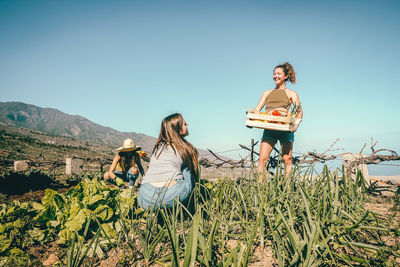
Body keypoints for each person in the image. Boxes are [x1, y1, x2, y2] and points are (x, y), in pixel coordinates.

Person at [252, 62, 303, 180]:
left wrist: (297, 123)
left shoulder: (291, 93)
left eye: (279, 73)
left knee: (287, 160)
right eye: (274, 74)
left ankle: (288, 188)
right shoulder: (267, 93)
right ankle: (260, 191)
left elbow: (299, 110)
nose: (276, 76)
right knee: (262, 160)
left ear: (285, 76)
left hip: (285, 128)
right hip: (269, 128)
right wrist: (252, 118)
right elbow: (257, 109)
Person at [138, 113, 199, 210]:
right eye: (185, 124)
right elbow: (195, 174)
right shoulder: (186, 148)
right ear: (178, 129)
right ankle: (188, 205)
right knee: (187, 168)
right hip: (173, 195)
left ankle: (154, 211)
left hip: (146, 197)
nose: (187, 125)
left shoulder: (158, 148)